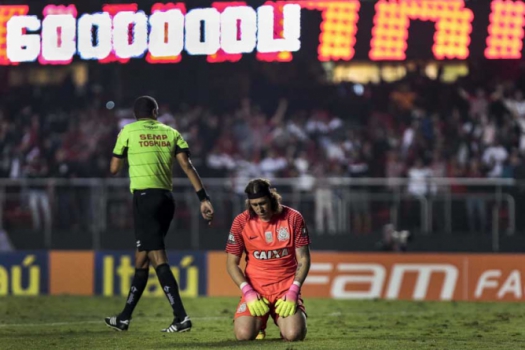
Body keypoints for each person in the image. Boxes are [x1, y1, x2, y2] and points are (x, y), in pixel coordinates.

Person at [104, 96, 214, 333]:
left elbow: (113, 169)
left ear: (135, 114)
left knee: (158, 257)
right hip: (166, 200)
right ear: (155, 112)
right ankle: (124, 318)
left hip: (144, 200)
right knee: (142, 259)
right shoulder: (171, 132)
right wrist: (203, 198)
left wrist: (126, 156)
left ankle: (181, 317)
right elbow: (187, 165)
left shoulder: (128, 132)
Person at [225, 178, 311, 341]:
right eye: (254, 204)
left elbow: (304, 259)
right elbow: (231, 264)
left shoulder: (293, 218)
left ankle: (284, 325)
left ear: (272, 198)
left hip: (285, 288)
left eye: (262, 203)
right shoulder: (241, 222)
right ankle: (259, 327)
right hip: (256, 289)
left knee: (294, 335)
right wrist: (247, 291)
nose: (259, 208)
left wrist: (294, 290)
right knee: (243, 335)